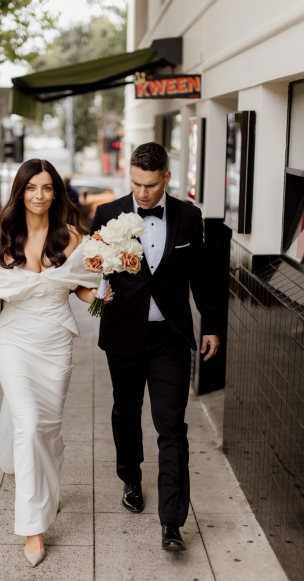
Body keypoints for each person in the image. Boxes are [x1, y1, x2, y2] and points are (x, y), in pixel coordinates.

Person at [0, 158, 113, 567]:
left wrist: (99, 296)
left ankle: (47, 488)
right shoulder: (2, 240)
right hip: (13, 341)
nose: (39, 195)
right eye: (32, 187)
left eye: (47, 187)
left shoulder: (71, 238)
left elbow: (79, 287)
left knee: (47, 429)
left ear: (56, 193)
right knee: (29, 426)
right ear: (20, 191)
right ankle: (33, 529)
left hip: (55, 344)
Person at [90, 142, 220, 552]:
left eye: (150, 184)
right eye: (135, 183)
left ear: (166, 177)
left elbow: (202, 275)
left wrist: (211, 325)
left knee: (172, 426)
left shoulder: (189, 216)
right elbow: (90, 267)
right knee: (126, 412)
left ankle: (172, 522)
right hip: (124, 335)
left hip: (170, 337)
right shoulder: (108, 214)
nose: (142, 193)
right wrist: (96, 292)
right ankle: (130, 477)